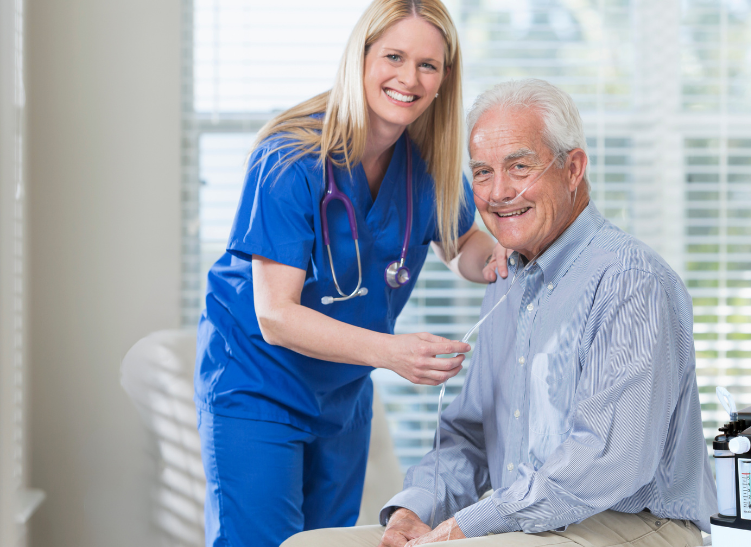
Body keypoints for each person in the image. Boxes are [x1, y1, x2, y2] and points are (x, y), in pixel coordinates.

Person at [281, 79, 718, 547]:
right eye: (483, 172)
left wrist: (473, 522)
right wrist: (414, 509)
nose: (498, 192)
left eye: (519, 166)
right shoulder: (507, 281)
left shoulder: (630, 279)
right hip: (528, 521)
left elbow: (608, 460)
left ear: (573, 168)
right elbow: (469, 438)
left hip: (637, 524)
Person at [193, 1, 510, 545]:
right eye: (393, 56)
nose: (408, 78)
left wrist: (497, 259)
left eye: (427, 65)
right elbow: (274, 315)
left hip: (341, 390)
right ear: (360, 58)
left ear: (444, 79)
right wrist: (392, 353)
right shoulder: (292, 158)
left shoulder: (425, 164)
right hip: (257, 383)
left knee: (326, 543)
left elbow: (461, 244)